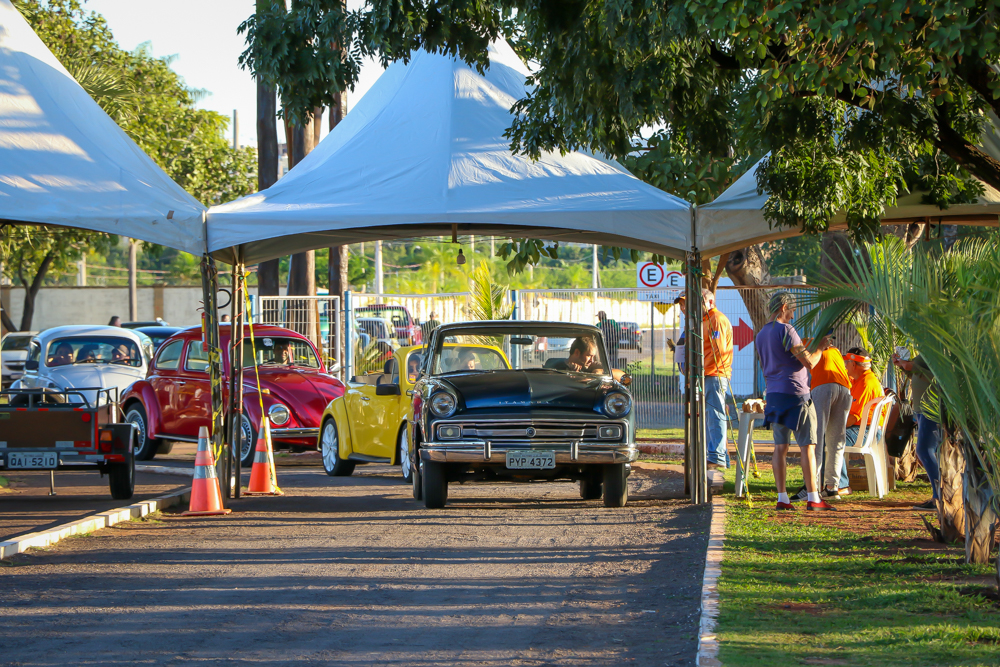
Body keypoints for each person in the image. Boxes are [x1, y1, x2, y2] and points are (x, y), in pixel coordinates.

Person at [755, 290, 834, 511]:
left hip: (774, 395)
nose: (793, 315)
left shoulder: (761, 334)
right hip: (797, 395)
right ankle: (813, 497)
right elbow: (810, 363)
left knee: (780, 447)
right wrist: (821, 347)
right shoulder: (786, 330)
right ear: (783, 308)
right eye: (791, 310)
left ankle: (782, 498)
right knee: (808, 446)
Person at [799, 334, 853, 501]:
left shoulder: (803, 343)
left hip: (824, 386)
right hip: (844, 389)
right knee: (836, 441)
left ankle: (811, 487)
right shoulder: (834, 351)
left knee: (815, 438)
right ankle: (832, 488)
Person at [893, 353, 939, 511]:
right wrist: (905, 367)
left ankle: (940, 497)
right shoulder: (926, 349)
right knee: (927, 451)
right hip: (922, 409)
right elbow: (919, 375)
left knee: (924, 450)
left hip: (933, 409)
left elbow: (940, 378)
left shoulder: (938, 349)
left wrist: (913, 367)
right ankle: (938, 496)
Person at [702, 289, 734, 469]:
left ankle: (716, 456)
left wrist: (701, 368)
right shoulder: (706, 320)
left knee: (715, 413)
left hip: (715, 373)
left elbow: (719, 351)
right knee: (712, 414)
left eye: (700, 302)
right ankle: (718, 455)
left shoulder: (717, 319)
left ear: (710, 302)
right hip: (709, 373)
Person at [844, 347, 885, 455]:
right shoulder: (862, 379)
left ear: (853, 364)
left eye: (847, 363)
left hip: (866, 431)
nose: (845, 366)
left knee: (830, 440)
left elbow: (852, 418)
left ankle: (835, 469)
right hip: (868, 429)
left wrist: (832, 426)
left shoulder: (865, 383)